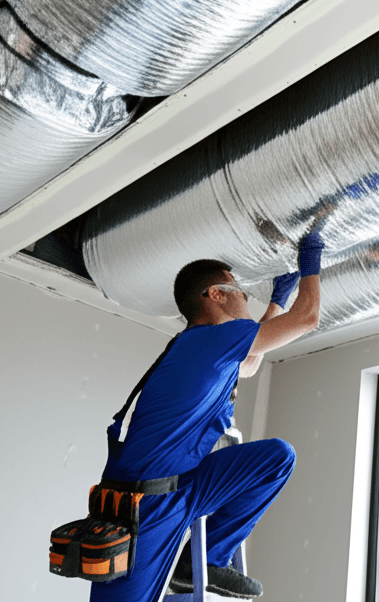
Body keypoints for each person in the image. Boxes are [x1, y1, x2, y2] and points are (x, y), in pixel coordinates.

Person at [89, 232, 324, 602]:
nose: (246, 296)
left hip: (184, 486)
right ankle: (193, 568)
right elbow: (308, 318)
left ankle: (206, 561)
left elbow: (247, 366)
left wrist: (277, 301)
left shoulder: (209, 347)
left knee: (276, 458)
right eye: (240, 289)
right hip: (144, 505)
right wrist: (311, 258)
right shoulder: (209, 340)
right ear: (216, 295)